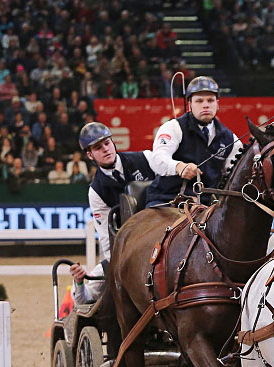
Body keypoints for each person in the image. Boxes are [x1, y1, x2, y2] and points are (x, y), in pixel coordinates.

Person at [69, 121, 158, 304]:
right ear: (90, 155)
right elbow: (106, 240)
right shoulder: (96, 192)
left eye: (107, 143)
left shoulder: (146, 158)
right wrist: (122, 269)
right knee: (90, 292)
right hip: (130, 250)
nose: (105, 149)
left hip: (165, 232)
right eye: (98, 147)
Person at [145, 76, 242, 208]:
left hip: (206, 206)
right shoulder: (174, 127)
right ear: (190, 105)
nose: (205, 105)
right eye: (199, 101)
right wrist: (179, 167)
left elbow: (234, 176)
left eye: (210, 100)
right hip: (167, 200)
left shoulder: (231, 139)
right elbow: (156, 159)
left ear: (217, 104)